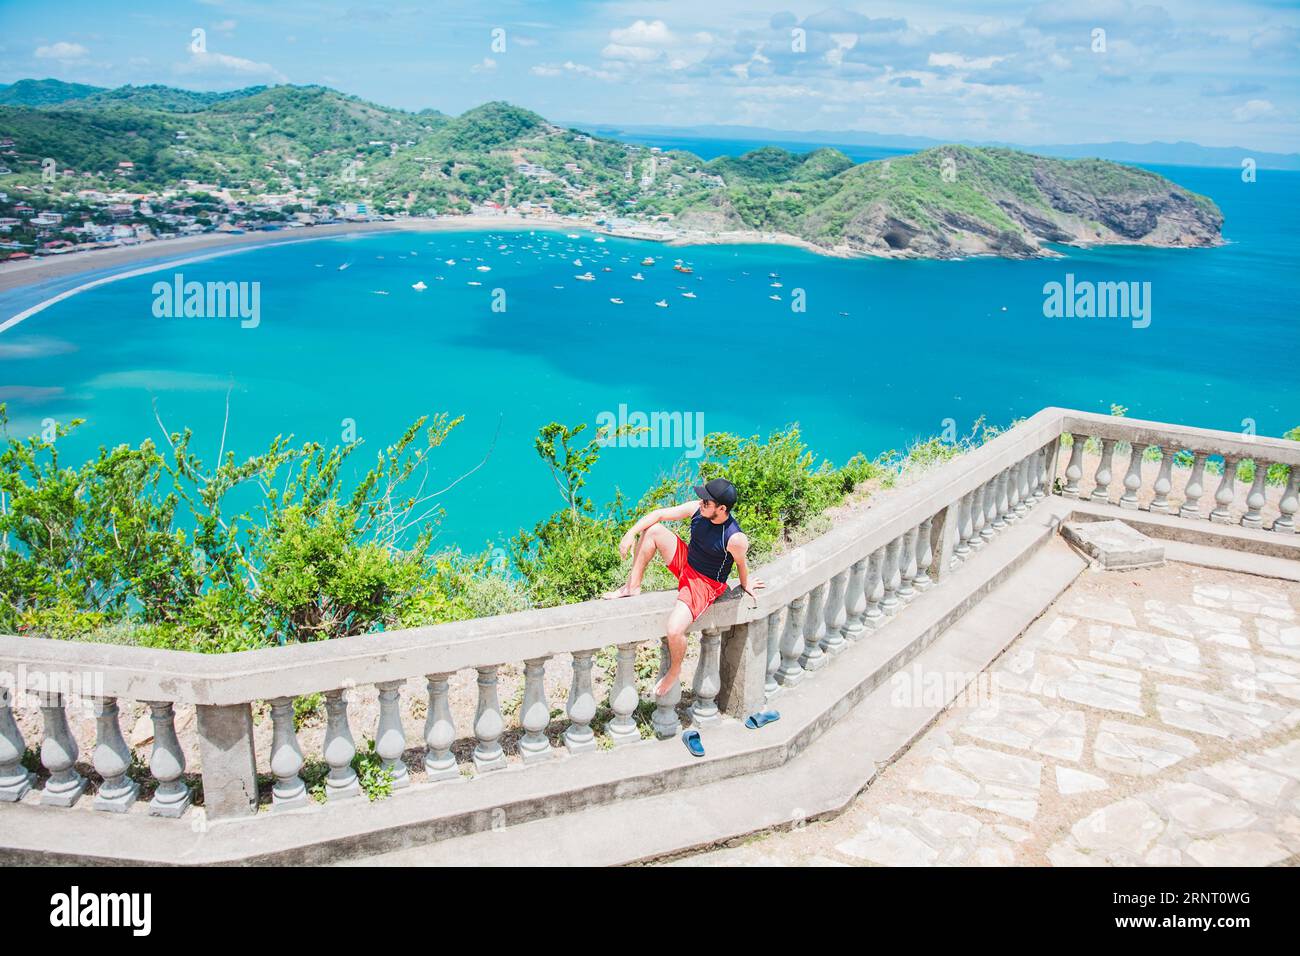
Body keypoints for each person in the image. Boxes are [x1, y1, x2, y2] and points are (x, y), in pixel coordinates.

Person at [604, 477, 764, 697]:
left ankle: (675, 669)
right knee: (653, 530)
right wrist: (630, 533)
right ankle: (632, 587)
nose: (701, 503)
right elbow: (658, 514)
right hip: (687, 562)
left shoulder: (735, 538)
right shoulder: (698, 510)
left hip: (704, 584)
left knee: (674, 629)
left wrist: (746, 584)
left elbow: (741, 564)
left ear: (722, 508)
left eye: (707, 502)